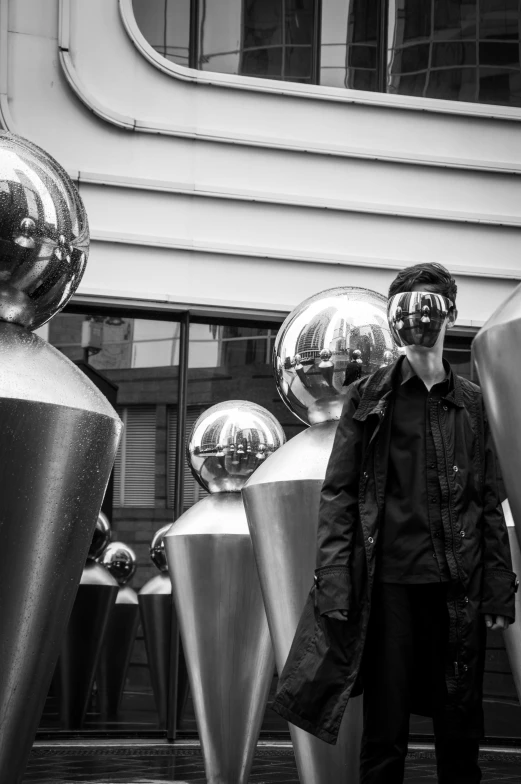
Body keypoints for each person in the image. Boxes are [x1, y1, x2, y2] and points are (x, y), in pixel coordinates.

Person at [272, 262, 519, 784]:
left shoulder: (471, 403)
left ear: (450, 312)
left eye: (428, 306)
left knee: (461, 731)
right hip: (389, 592)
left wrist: (499, 587)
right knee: (384, 736)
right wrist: (335, 581)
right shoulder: (370, 396)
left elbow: (487, 498)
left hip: (459, 589)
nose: (417, 321)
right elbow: (338, 494)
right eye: (406, 309)